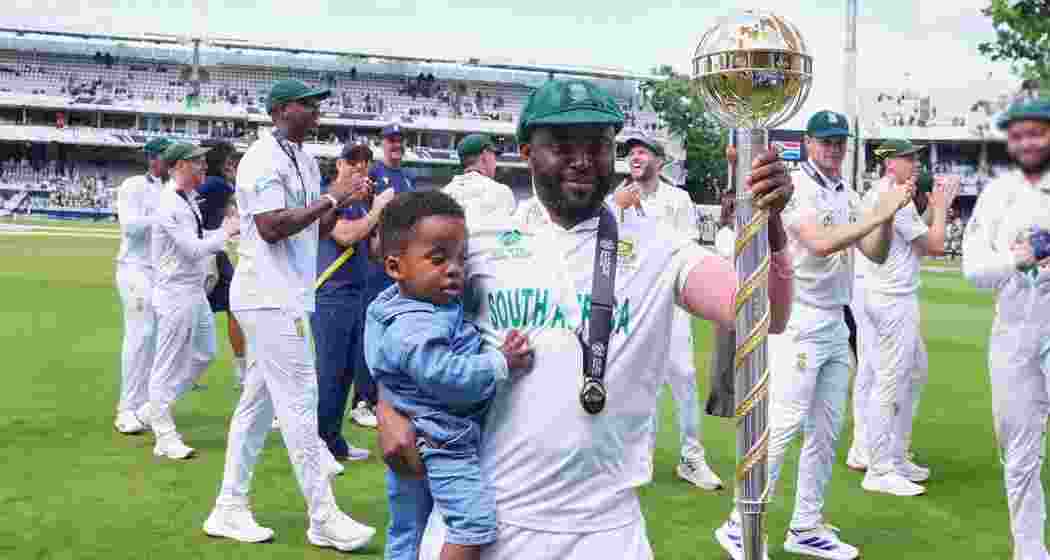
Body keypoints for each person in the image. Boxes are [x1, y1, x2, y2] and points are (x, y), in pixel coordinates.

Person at [378, 78, 795, 560]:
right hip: (490, 520)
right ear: (526, 151)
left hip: (605, 530)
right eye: (561, 145)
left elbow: (765, 316)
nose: (582, 159)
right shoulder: (482, 243)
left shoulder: (659, 247)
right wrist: (389, 407)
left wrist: (771, 222)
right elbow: (399, 327)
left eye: (597, 145)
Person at [714, 110, 913, 560]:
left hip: (836, 320)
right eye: (825, 141)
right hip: (800, 318)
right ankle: (737, 521)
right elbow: (820, 242)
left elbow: (875, 252)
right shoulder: (797, 188)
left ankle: (806, 525)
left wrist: (886, 217)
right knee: (783, 426)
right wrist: (878, 210)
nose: (834, 148)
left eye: (840, 141)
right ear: (808, 143)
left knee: (826, 430)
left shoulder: (845, 191)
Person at [203, 79, 375, 550]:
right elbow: (272, 227)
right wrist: (330, 197)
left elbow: (317, 225)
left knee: (257, 409)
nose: (317, 110)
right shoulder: (262, 158)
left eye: (318, 103)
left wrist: (345, 198)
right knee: (300, 400)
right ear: (280, 110)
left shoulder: (302, 158)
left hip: (286, 295)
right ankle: (323, 516)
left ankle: (229, 507)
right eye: (307, 103)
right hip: (266, 295)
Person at [366, 190, 534, 560]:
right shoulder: (412, 326)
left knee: (407, 528)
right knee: (471, 523)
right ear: (395, 267)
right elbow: (447, 376)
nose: (455, 269)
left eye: (461, 258)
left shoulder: (407, 304)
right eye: (438, 259)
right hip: (442, 442)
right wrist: (500, 361)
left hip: (423, 435)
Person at [962, 97, 1050, 560]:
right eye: (1019, 134)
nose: (1029, 141)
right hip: (1016, 335)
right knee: (1019, 454)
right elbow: (974, 270)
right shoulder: (997, 196)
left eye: (1038, 131)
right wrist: (1016, 260)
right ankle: (1031, 550)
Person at [846, 141, 960, 497]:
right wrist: (941, 208)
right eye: (908, 158)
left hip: (890, 295)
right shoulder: (891, 195)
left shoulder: (890, 195)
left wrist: (938, 210)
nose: (915, 163)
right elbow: (937, 244)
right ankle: (879, 466)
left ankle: (893, 455)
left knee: (910, 373)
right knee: (889, 381)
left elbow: (915, 240)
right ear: (890, 163)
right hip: (891, 298)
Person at [610, 132, 722, 490]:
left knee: (684, 378)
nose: (636, 158)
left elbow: (682, 247)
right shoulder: (616, 199)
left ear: (659, 160)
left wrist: (639, 213)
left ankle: (692, 457)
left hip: (672, 304)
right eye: (631, 153)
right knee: (639, 383)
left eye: (643, 152)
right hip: (634, 305)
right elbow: (609, 248)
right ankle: (639, 456)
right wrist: (619, 210)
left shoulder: (678, 199)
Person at [144, 142, 239, 459]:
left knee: (204, 353)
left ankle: (156, 408)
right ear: (179, 166)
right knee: (167, 364)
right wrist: (226, 231)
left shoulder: (187, 199)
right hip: (175, 293)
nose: (203, 167)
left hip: (194, 290)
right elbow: (193, 249)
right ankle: (164, 434)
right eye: (196, 163)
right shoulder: (170, 203)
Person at [311, 140, 386, 462]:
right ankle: (317, 445)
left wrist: (377, 215)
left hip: (355, 291)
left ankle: (332, 440)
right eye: (352, 160)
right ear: (339, 165)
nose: (359, 166)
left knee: (344, 372)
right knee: (329, 371)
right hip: (330, 291)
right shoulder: (327, 197)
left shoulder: (358, 203)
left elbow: (373, 250)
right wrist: (378, 209)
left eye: (365, 161)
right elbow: (344, 235)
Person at [350, 122, 417, 429]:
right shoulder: (375, 175)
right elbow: (364, 218)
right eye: (391, 141)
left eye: (399, 140)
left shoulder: (406, 177)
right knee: (371, 331)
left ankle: (384, 397)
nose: (396, 145)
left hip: (401, 266)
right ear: (382, 143)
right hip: (376, 264)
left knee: (396, 333)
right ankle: (361, 400)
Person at [113, 136, 173, 434]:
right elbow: (129, 227)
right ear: (152, 159)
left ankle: (145, 406)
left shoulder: (173, 189)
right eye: (166, 157)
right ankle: (126, 408)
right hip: (134, 268)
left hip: (161, 272)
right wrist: (161, 218)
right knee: (141, 333)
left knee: (157, 338)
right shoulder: (133, 186)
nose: (171, 163)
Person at [195, 140, 247, 388]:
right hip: (208, 252)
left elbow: (229, 211)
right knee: (233, 307)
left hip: (206, 251)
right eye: (228, 159)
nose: (232, 164)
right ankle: (241, 369)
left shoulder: (211, 184)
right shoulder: (218, 185)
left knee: (195, 312)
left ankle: (186, 368)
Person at [443, 133, 517, 223]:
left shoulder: (444, 194)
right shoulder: (503, 192)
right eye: (494, 156)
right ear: (485, 156)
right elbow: (513, 234)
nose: (495, 163)